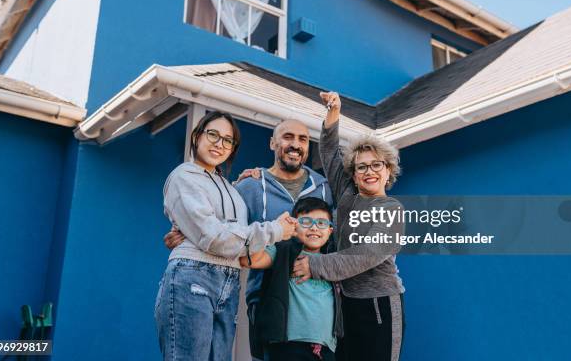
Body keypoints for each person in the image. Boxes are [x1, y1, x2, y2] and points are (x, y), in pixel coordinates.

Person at [164, 119, 334, 360]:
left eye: (303, 139)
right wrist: (187, 231)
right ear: (272, 143)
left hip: (315, 309)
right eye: (287, 137)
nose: (295, 144)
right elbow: (220, 222)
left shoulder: (325, 188)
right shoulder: (250, 186)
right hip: (263, 298)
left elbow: (337, 239)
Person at [292, 92, 406, 361]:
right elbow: (330, 152)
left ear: (388, 170)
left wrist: (315, 265)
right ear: (353, 174)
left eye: (376, 165)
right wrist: (333, 113)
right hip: (345, 305)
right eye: (361, 167)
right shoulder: (347, 196)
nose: (369, 172)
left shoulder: (391, 209)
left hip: (380, 305)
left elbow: (366, 254)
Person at [240, 197, 341, 361]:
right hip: (287, 345)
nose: (314, 228)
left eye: (322, 223)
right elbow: (249, 260)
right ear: (294, 226)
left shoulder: (333, 261)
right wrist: (276, 230)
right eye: (306, 221)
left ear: (330, 231)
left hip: (325, 349)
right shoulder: (283, 251)